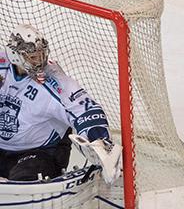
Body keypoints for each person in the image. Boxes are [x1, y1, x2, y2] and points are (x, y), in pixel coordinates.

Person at [0, 24, 121, 183]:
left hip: (39, 153)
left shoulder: (55, 81)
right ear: (15, 55)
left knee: (26, 178)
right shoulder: (2, 66)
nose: (39, 60)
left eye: (41, 53)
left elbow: (85, 110)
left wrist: (101, 142)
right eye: (32, 56)